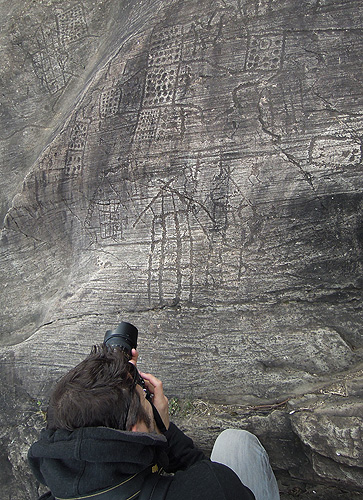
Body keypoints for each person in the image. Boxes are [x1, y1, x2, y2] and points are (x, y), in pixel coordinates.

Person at [28, 344, 280, 500]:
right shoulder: (208, 488)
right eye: (145, 399)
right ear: (135, 430)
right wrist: (164, 431)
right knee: (236, 444)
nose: (149, 399)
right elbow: (208, 479)